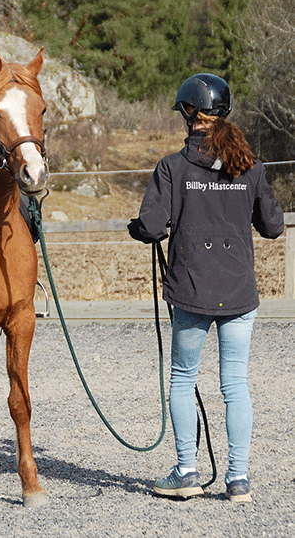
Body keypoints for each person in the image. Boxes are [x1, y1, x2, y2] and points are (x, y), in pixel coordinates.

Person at [128, 73, 285, 502]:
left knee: (182, 379)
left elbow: (152, 227)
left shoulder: (172, 168)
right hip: (238, 293)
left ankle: (187, 472)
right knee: (235, 384)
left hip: (192, 291)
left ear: (188, 115)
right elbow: (273, 226)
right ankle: (238, 479)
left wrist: (138, 230)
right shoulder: (249, 167)